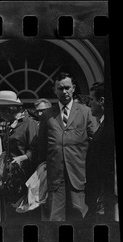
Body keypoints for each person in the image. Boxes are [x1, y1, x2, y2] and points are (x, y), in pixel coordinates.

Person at [37, 72, 97, 221]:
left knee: (80, 219)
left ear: (73, 88)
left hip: (79, 177)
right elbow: (41, 147)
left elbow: (96, 144)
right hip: (56, 179)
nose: (64, 91)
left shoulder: (86, 112)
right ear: (54, 90)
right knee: (55, 221)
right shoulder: (47, 115)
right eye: (60, 88)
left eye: (67, 87)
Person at [0, 90, 39, 222]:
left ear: (9, 110)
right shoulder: (10, 125)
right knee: (11, 218)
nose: (1, 115)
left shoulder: (29, 124)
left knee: (25, 218)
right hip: (11, 179)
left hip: (25, 179)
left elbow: (36, 149)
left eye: (2, 111)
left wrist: (23, 157)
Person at [85, 82, 116, 221]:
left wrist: (100, 198)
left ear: (102, 100)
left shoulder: (107, 129)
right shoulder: (103, 126)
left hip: (103, 198)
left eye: (92, 100)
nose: (90, 104)